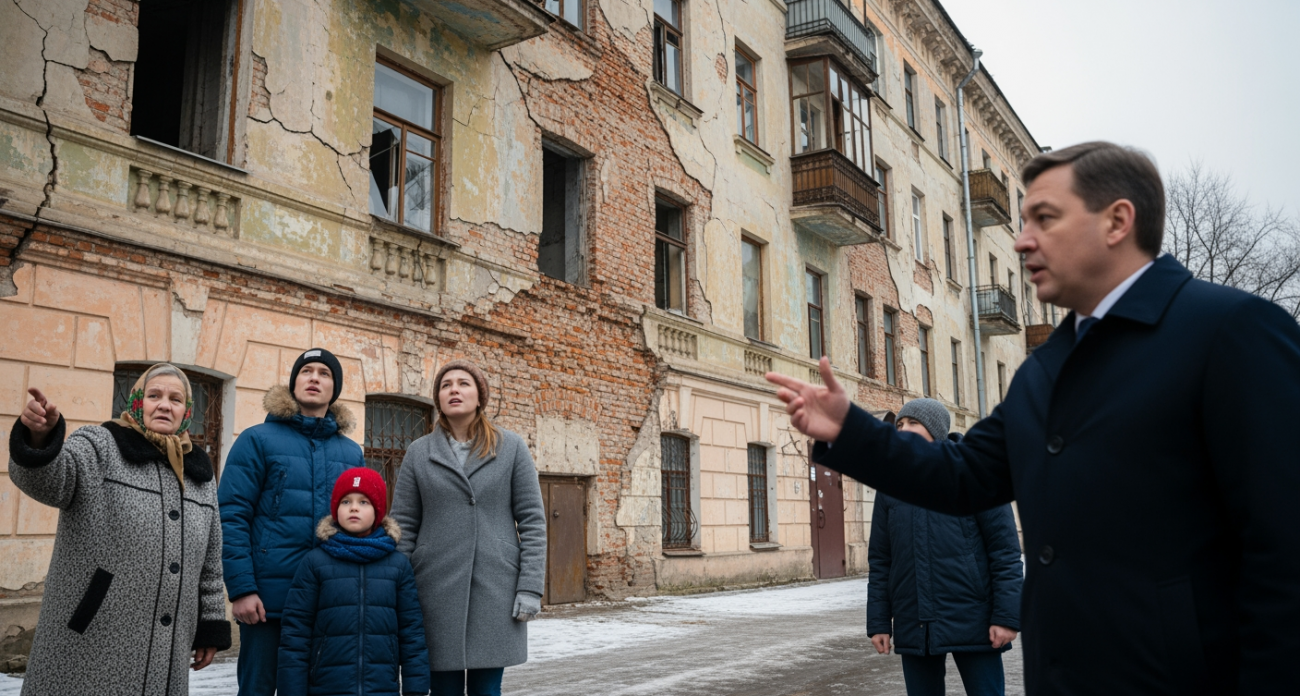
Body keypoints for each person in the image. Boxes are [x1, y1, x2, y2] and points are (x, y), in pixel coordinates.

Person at [767, 141, 1300, 695]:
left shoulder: (1229, 331)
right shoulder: (1044, 371)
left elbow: (1285, 556)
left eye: (1045, 218)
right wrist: (853, 431)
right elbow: (962, 475)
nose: (1022, 241)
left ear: (1117, 220)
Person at [8, 364, 230, 695]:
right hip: (92, 635)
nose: (164, 405)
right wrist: (39, 438)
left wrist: (210, 625)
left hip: (170, 643)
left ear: (187, 411)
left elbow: (210, 561)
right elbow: (50, 482)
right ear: (137, 402)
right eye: (154, 395)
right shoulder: (100, 445)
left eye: (175, 399)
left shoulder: (199, 473)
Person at [390, 360, 547, 696]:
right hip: (434, 589)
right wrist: (397, 588)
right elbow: (403, 525)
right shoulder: (419, 453)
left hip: (495, 587)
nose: (454, 390)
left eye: (464, 384)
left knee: (486, 691)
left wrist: (530, 587)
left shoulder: (511, 447)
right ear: (438, 398)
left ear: (479, 397)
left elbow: (533, 521)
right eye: (446, 385)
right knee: (442, 690)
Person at [219, 348, 365, 696]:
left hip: (329, 601)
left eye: (324, 373)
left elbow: (361, 525)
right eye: (306, 371)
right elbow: (231, 516)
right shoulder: (257, 440)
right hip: (267, 603)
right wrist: (242, 589)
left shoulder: (351, 453)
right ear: (294, 383)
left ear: (334, 389)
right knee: (258, 689)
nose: (314, 378)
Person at [867, 399, 1021, 696]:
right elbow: (881, 560)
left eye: (913, 423)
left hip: (974, 620)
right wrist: (879, 622)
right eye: (900, 424)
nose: (903, 429)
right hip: (915, 622)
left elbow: (1005, 552)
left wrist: (1006, 617)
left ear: (935, 430)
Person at [277, 467, 430, 696]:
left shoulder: (398, 565)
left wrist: (415, 689)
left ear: (378, 511)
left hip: (381, 688)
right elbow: (295, 633)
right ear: (335, 509)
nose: (354, 508)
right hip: (327, 688)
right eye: (346, 501)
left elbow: (412, 632)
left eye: (364, 502)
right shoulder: (315, 562)